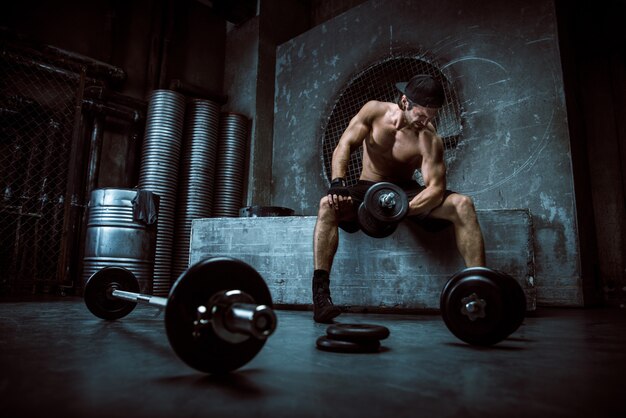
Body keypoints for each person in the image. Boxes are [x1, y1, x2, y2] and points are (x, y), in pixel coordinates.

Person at [311, 74, 486, 323]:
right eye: (422, 114)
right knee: (326, 206)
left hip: (406, 192)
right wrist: (337, 183)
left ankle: (481, 289)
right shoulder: (374, 112)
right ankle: (321, 296)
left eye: (432, 116)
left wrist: (403, 209)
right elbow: (345, 145)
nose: (427, 121)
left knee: (463, 205)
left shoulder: (429, 138)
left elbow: (435, 188)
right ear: (405, 102)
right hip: (367, 186)